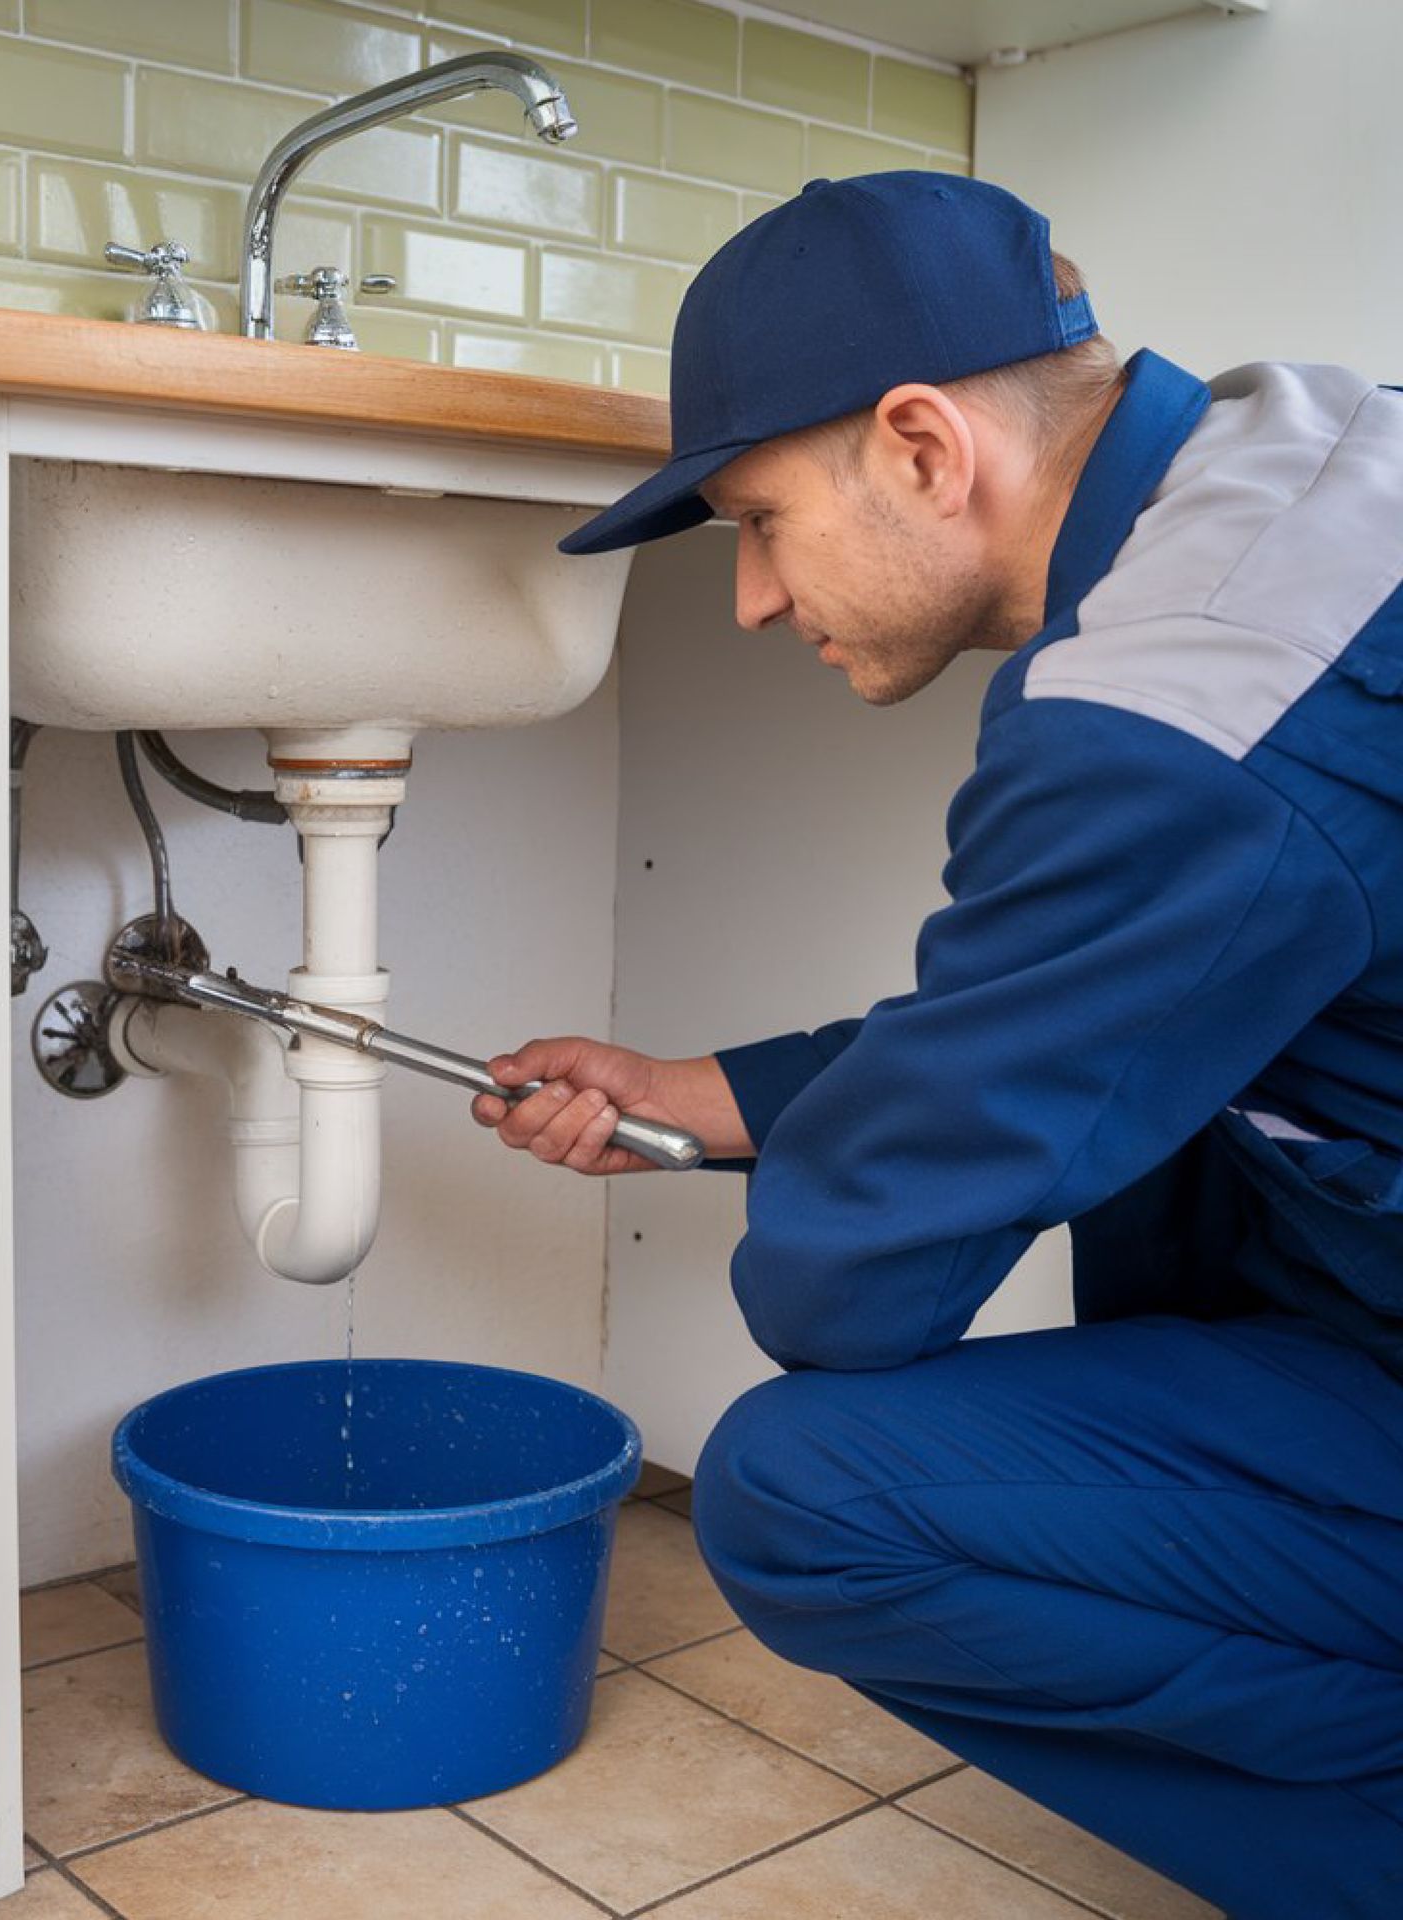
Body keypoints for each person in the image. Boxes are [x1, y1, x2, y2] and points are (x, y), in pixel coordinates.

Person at [473, 172, 1403, 1920]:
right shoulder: (1307, 476)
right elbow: (1094, 999)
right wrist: (710, 1101)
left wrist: (834, 1186)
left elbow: (849, 1290)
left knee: (809, 1496)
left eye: (755, 521)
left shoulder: (1173, 715)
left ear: (920, 445)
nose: (749, 600)